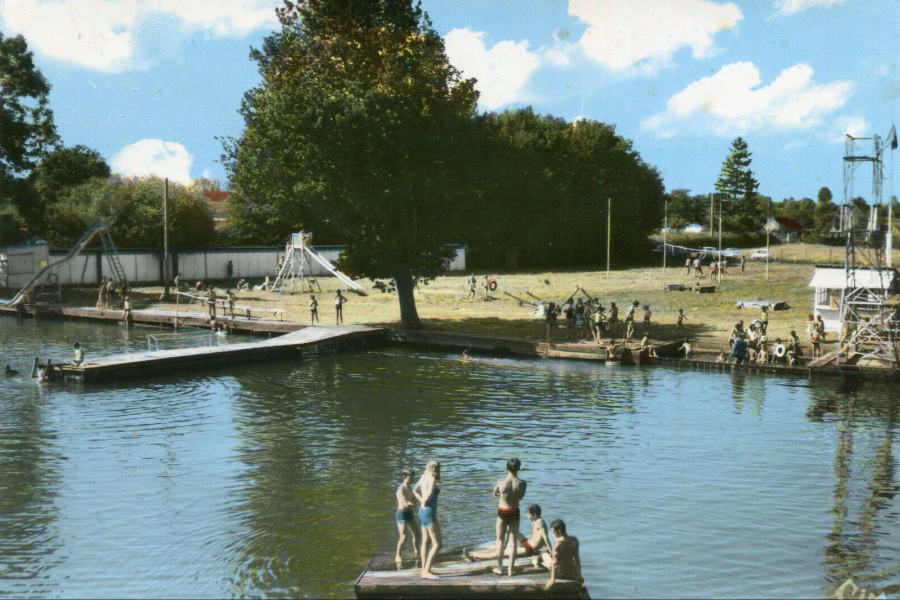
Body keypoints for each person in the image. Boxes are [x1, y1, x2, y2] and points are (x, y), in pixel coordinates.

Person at [465, 504, 551, 568]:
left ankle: (474, 556)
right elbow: (538, 538)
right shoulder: (535, 521)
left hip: (529, 548)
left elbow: (546, 538)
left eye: (529, 515)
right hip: (528, 543)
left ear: (534, 515)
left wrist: (551, 552)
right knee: (509, 529)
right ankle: (502, 546)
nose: (527, 516)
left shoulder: (541, 523)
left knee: (502, 553)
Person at [493, 457, 527, 577]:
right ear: (518, 468)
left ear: (507, 468)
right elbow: (520, 497)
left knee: (500, 540)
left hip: (502, 511)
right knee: (512, 541)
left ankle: (499, 568)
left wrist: (502, 497)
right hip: (514, 511)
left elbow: (495, 493)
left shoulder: (501, 484)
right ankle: (510, 570)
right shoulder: (522, 484)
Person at [413, 460, 441, 579]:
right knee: (437, 544)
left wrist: (421, 501)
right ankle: (426, 571)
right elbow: (429, 493)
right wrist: (425, 501)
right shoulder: (432, 478)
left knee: (425, 542)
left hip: (421, 512)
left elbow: (414, 490)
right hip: (429, 512)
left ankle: (423, 570)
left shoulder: (424, 476)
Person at [545, 520, 584, 592]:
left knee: (544, 555)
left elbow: (554, 564)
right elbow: (576, 559)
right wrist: (579, 576)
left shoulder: (557, 545)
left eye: (553, 532)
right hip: (570, 573)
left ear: (559, 531)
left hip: (559, 574)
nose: (552, 534)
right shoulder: (574, 540)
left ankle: (537, 560)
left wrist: (552, 579)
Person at [395, 468, 420, 564]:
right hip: (402, 514)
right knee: (403, 537)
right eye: (411, 477)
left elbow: (413, 499)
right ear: (404, 477)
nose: (412, 478)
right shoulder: (401, 489)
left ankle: (416, 552)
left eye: (413, 476)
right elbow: (405, 503)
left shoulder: (411, 488)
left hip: (409, 513)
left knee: (417, 534)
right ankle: (398, 555)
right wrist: (412, 503)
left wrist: (418, 499)